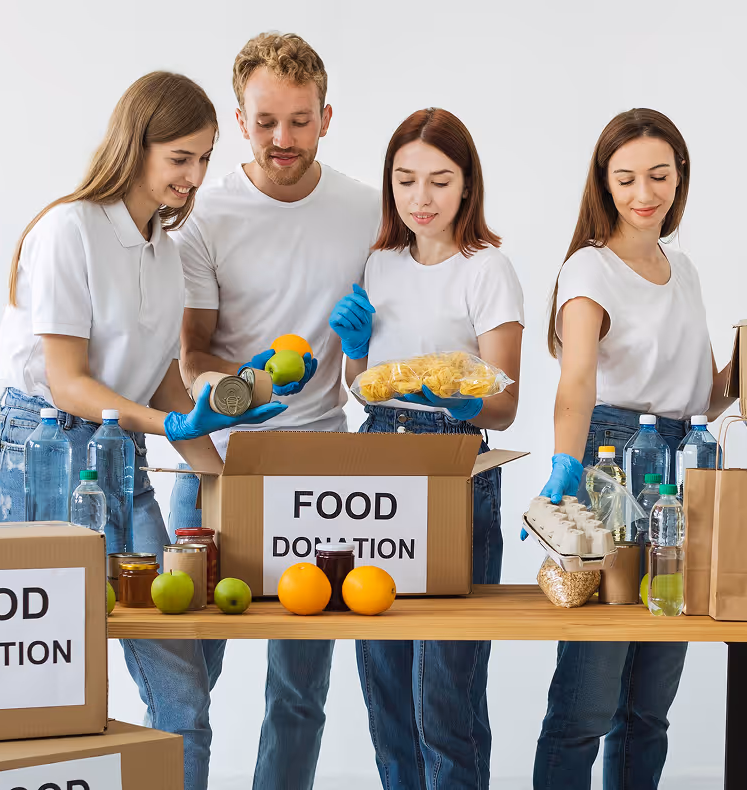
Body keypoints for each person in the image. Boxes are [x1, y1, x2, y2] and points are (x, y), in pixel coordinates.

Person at [0, 71, 284, 789]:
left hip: (120, 458)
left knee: (182, 697)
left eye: (205, 158)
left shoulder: (165, 251)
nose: (195, 176)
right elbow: (69, 381)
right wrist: (174, 418)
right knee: (36, 687)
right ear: (135, 145)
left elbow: (166, 387)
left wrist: (222, 471)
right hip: (40, 456)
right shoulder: (69, 230)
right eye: (181, 158)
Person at [173, 32, 381, 790]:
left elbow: (365, 372)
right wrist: (244, 385)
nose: (282, 139)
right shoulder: (206, 215)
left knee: (300, 692)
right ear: (238, 120)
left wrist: (360, 353)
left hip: (321, 465)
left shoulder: (366, 209)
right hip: (215, 463)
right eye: (265, 122)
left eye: (299, 120)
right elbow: (191, 355)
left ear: (327, 117)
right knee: (187, 680)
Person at [534, 108, 734, 790]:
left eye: (659, 174)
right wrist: (566, 467)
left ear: (680, 179)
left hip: (684, 466)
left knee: (650, 704)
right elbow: (577, 383)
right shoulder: (589, 269)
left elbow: (706, 395)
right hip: (611, 465)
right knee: (589, 697)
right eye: (626, 178)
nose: (644, 192)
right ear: (603, 183)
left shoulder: (686, 271)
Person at [329, 107, 523, 790]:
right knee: (382, 674)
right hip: (376, 460)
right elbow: (365, 388)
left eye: (440, 181)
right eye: (406, 180)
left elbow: (504, 403)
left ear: (467, 186)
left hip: (454, 467)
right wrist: (354, 355)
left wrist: (463, 402)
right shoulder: (378, 264)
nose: (422, 198)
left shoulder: (487, 269)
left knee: (446, 684)